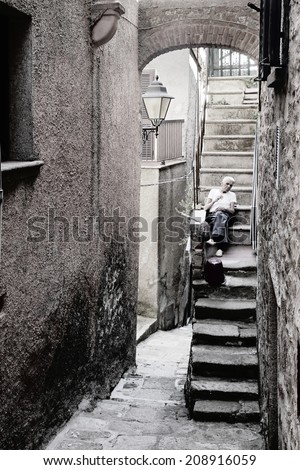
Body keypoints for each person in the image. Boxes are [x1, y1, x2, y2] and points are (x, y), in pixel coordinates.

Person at [204, 176, 236, 257]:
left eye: (231, 185)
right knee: (221, 221)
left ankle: (213, 238)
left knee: (220, 216)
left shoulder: (232, 195)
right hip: (212, 216)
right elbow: (205, 208)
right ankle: (220, 249)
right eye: (227, 184)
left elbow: (232, 211)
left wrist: (224, 208)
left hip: (225, 215)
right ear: (221, 183)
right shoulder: (213, 191)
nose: (228, 186)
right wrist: (215, 200)